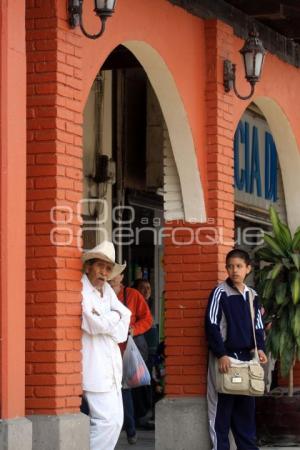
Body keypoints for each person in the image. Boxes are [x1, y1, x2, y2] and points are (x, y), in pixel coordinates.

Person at [205, 248, 268, 450]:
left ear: (248, 269)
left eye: (239, 266)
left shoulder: (252, 295)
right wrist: (221, 354)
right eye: (230, 266)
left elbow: (258, 325)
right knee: (221, 414)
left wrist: (260, 350)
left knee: (245, 414)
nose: (234, 270)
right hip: (225, 360)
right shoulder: (219, 292)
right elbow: (211, 325)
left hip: (247, 361)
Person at [81, 240, 131, 450]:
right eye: (100, 266)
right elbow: (93, 324)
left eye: (108, 269)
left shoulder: (107, 292)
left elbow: (123, 323)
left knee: (116, 422)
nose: (104, 273)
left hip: (112, 369)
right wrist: (113, 317)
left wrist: (108, 319)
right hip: (95, 368)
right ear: (89, 266)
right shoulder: (81, 290)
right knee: (106, 423)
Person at [109, 273, 153, 445]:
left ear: (121, 276)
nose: (111, 277)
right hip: (107, 349)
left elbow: (147, 319)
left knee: (124, 388)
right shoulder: (101, 294)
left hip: (127, 350)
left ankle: (130, 428)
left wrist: (134, 329)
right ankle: (126, 428)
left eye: (115, 274)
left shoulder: (133, 295)